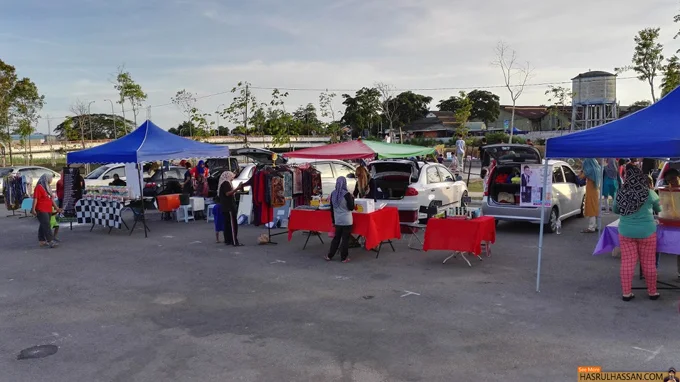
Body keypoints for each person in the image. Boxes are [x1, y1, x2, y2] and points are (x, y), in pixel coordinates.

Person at [613, 165, 661, 301]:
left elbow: (616, 210)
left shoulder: (621, 192)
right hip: (647, 232)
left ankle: (626, 293)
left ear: (627, 178)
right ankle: (652, 292)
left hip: (626, 232)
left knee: (627, 263)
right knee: (649, 263)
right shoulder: (649, 192)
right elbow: (659, 208)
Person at [325, 177, 355, 263]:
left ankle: (329, 255)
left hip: (338, 220)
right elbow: (351, 208)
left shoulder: (333, 194)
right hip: (347, 220)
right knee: (345, 239)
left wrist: (333, 221)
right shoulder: (347, 194)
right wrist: (352, 199)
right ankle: (343, 258)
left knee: (336, 238)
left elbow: (332, 209)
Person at [31, 174, 62, 248]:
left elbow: (51, 199)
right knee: (46, 225)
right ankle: (50, 241)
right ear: (46, 178)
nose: (51, 179)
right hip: (41, 209)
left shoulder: (48, 187)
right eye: (50, 178)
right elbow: (35, 199)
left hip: (48, 209)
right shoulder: (39, 187)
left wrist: (57, 208)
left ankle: (42, 241)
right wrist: (33, 209)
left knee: (43, 225)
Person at [662, 168, 680, 279]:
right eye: (668, 181)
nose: (671, 183)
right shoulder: (667, 190)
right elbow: (664, 206)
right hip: (671, 222)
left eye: (673, 180)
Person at [218, 171, 242, 246]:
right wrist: (237, 189)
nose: (232, 178)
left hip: (225, 206)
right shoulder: (226, 183)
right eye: (232, 176)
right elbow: (228, 193)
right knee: (232, 224)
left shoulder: (223, 183)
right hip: (229, 206)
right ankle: (234, 240)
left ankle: (228, 240)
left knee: (227, 224)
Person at [579, 158, 601, 233]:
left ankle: (591, 227)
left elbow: (581, 177)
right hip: (596, 190)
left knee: (591, 208)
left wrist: (581, 170)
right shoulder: (597, 168)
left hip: (591, 190)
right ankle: (597, 225)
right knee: (595, 207)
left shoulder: (589, 170)